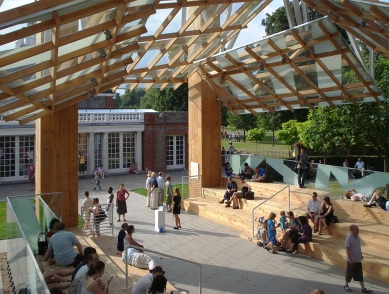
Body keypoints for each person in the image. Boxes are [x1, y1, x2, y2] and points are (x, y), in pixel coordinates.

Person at [344, 225, 372, 293]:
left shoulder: (358, 237)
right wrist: (350, 259)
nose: (358, 230)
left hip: (358, 259)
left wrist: (361, 255)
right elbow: (347, 248)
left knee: (359, 274)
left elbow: (358, 247)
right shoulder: (349, 238)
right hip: (352, 259)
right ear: (352, 230)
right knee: (349, 273)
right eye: (356, 229)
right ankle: (346, 285)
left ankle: (363, 288)